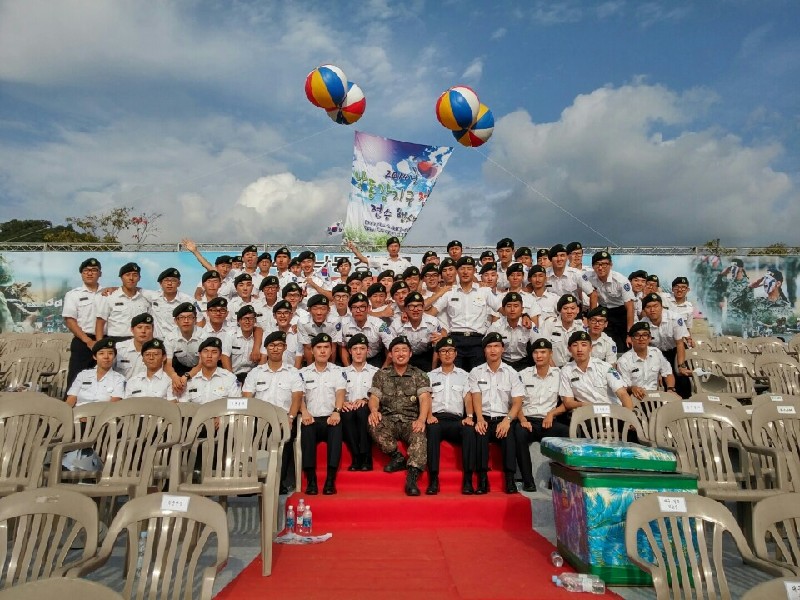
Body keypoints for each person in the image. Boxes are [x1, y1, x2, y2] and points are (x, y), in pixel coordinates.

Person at [368, 335, 432, 496]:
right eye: (396, 350)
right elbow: (374, 397)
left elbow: (425, 398)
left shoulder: (419, 375)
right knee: (373, 422)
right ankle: (397, 457)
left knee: (419, 435)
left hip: (411, 421)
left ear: (410, 353)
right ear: (390, 354)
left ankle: (412, 478)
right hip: (388, 419)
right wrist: (374, 410)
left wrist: (421, 419)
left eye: (404, 350)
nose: (400, 353)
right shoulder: (381, 375)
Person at [242, 330, 304, 494]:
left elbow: (297, 398)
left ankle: (278, 482)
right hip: (259, 419)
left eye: (279, 345)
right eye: (271, 345)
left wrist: (290, 417)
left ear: (285, 348)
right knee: (251, 434)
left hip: (283, 418)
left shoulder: (293, 373)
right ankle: (255, 480)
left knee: (286, 434)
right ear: (266, 348)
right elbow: (247, 398)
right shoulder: (255, 373)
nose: (275, 349)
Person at [468, 332, 525, 494]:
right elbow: (476, 397)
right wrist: (479, 419)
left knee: (510, 434)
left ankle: (510, 479)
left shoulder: (512, 373)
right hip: (484, 416)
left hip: (504, 417)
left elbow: (517, 402)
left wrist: (507, 420)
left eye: (496, 346)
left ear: (502, 349)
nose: (493, 350)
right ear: (484, 350)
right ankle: (482, 480)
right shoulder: (476, 372)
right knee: (480, 433)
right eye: (489, 347)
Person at [428, 256, 503, 372]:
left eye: (469, 268)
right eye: (462, 268)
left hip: (478, 341)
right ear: (457, 271)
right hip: (455, 341)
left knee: (479, 378)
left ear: (474, 271)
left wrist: (524, 316)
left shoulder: (484, 291)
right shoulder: (450, 292)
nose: (465, 272)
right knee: (455, 377)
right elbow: (431, 313)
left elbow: (503, 310)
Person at [514, 338, 570, 491]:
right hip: (528, 421)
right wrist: (522, 419)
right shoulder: (523, 374)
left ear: (550, 354)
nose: (539, 356)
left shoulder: (560, 375)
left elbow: (566, 403)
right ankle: (528, 481)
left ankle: (557, 478)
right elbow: (515, 401)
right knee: (518, 433)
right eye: (536, 352)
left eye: (543, 352)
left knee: (567, 432)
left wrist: (552, 413)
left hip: (548, 420)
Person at [426, 336, 477, 495]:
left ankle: (468, 480)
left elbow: (468, 398)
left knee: (469, 431)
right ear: (438, 354)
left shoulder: (465, 375)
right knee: (432, 430)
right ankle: (433, 479)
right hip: (437, 418)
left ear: (456, 353)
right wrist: (429, 415)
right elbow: (426, 398)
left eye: (450, 351)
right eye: (443, 351)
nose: (447, 354)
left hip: (456, 420)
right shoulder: (430, 376)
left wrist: (469, 416)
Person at [298, 332, 346, 495]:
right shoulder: (303, 373)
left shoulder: (338, 371)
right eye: (319, 347)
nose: (323, 351)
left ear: (331, 350)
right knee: (307, 430)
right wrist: (304, 412)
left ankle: (330, 480)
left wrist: (337, 412)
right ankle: (311, 481)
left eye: (326, 347)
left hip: (331, 417)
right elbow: (299, 396)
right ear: (312, 351)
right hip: (311, 417)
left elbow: (340, 393)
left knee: (336, 429)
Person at [559, 331, 634, 411]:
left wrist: (630, 415)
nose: (579, 349)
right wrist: (584, 405)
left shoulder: (605, 367)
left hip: (612, 411)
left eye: (584, 345)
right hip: (588, 413)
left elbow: (622, 394)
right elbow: (568, 402)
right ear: (569, 349)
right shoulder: (566, 371)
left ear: (591, 348)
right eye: (575, 345)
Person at [639, 293, 692, 398]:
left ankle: (686, 400)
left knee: (681, 376)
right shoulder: (643, 325)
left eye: (656, 306)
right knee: (662, 379)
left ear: (662, 307)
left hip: (676, 350)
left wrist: (681, 366)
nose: (652, 310)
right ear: (644, 310)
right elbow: (647, 348)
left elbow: (680, 343)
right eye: (648, 307)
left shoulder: (675, 318)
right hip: (658, 354)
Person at [62, 257, 103, 389]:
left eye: (94, 270)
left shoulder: (108, 293)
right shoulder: (73, 295)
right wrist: (88, 341)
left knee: (105, 379)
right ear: (81, 274)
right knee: (76, 380)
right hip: (82, 341)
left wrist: (100, 342)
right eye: (86, 270)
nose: (90, 273)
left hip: (104, 341)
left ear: (100, 273)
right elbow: (70, 321)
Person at [583, 251, 634, 351]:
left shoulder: (621, 281)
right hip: (604, 311)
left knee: (625, 344)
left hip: (621, 312)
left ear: (611, 265)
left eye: (605, 264)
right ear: (593, 266)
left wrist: (630, 333)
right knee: (606, 342)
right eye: (597, 264)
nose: (601, 267)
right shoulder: (587, 276)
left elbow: (630, 307)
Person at [341, 333, 378, 471]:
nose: (358, 352)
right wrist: (342, 403)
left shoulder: (375, 372)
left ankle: (366, 456)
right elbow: (336, 393)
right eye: (355, 349)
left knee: (362, 412)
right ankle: (356, 457)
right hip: (348, 408)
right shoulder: (341, 373)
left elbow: (379, 395)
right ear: (350, 351)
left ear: (367, 350)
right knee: (347, 414)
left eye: (362, 348)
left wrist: (366, 400)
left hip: (367, 408)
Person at [616, 322, 677, 398]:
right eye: (637, 335)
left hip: (656, 396)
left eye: (645, 335)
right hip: (635, 398)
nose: (641, 339)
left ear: (650, 338)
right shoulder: (624, 361)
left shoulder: (656, 353)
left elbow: (668, 373)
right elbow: (623, 387)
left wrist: (670, 389)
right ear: (631, 339)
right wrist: (632, 388)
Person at [95, 262, 150, 342]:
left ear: (139, 278)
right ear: (121, 277)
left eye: (135, 275)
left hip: (139, 342)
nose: (131, 278)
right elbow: (100, 323)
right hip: (116, 341)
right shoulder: (110, 297)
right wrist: (99, 346)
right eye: (127, 275)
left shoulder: (144, 298)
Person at [389, 291, 444, 371]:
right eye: (411, 306)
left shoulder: (433, 322)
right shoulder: (396, 324)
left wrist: (433, 370)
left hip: (426, 357)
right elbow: (390, 348)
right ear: (405, 308)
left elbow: (436, 349)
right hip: (404, 357)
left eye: (419, 306)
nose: (416, 310)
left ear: (423, 307)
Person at [175, 337, 238, 404]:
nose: (209, 356)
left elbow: (235, 406)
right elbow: (183, 406)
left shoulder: (229, 379)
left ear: (220, 356)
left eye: (214, 352)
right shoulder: (190, 381)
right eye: (205, 351)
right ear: (200, 355)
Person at [66, 338, 125, 407]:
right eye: (101, 353)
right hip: (79, 411)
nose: (106, 357)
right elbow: (71, 398)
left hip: (104, 412)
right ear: (94, 357)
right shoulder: (83, 375)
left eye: (110, 353)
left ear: (114, 357)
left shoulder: (119, 379)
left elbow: (114, 404)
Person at [487, 292, 537, 371]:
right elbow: (487, 347)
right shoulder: (496, 326)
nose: (512, 309)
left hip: (525, 363)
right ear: (503, 309)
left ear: (522, 309)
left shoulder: (529, 325)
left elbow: (539, 346)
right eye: (509, 306)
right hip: (502, 362)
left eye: (516, 306)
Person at [340, 292, 391, 368]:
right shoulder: (343, 324)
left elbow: (391, 347)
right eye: (355, 307)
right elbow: (342, 347)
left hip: (374, 358)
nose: (358, 311)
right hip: (352, 358)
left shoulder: (380, 324)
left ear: (368, 308)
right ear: (350, 310)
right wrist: (348, 368)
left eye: (362, 307)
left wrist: (383, 370)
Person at [143, 268, 194, 340]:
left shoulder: (188, 300)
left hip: (178, 340)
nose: (169, 283)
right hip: (157, 341)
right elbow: (136, 290)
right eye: (166, 280)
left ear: (179, 283)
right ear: (161, 283)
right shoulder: (153, 296)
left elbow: (199, 320)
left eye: (173, 280)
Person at [539, 294, 586, 367]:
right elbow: (543, 349)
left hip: (572, 368)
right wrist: (555, 370)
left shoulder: (580, 327)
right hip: (551, 368)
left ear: (577, 310)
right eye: (565, 308)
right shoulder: (550, 323)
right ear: (559, 310)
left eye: (573, 308)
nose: (569, 311)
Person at [546, 244, 596, 311]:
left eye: (562, 255)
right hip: (551, 311)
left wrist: (593, 315)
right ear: (551, 259)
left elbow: (593, 294)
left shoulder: (577, 274)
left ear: (567, 257)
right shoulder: (544, 274)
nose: (559, 259)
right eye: (555, 256)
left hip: (572, 311)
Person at [297, 294, 342, 365]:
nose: (319, 313)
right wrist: (310, 369)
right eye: (315, 309)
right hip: (312, 352)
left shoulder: (335, 321)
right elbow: (308, 348)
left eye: (323, 309)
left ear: (328, 310)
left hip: (329, 353)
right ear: (309, 310)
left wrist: (331, 368)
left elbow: (333, 347)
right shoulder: (303, 322)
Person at [113, 313, 154, 379]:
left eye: (147, 328)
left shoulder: (158, 351)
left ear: (152, 330)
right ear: (132, 330)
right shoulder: (119, 348)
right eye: (139, 327)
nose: (143, 331)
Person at [347, 236, 412, 273]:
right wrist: (354, 249)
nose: (393, 249)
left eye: (396, 246)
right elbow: (363, 259)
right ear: (387, 248)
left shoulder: (405, 262)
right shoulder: (381, 260)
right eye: (391, 246)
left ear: (399, 248)